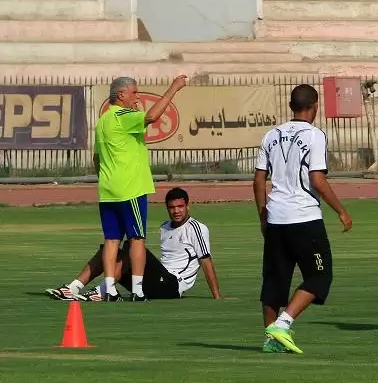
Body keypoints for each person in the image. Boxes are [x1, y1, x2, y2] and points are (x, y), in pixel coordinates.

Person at [253, 84, 352, 354]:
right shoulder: (314, 135)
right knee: (321, 276)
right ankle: (282, 324)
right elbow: (317, 180)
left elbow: (259, 179)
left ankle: (271, 342)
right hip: (304, 218)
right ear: (315, 106)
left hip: (275, 219)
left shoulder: (271, 135)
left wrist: (263, 213)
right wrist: (341, 210)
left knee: (274, 282)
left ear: (290, 106)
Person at [94, 75, 187, 302]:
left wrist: (108, 177)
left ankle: (110, 289)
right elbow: (153, 116)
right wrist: (173, 87)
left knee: (112, 240)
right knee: (137, 238)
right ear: (121, 95)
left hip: (108, 190)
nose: (137, 96)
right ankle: (137, 289)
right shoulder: (123, 116)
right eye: (134, 93)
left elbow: (97, 159)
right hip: (130, 189)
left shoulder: (103, 120)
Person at [45, 187, 222, 301]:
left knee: (132, 245)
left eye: (180, 206)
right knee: (108, 250)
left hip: (171, 286)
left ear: (187, 206)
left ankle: (103, 290)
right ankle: (74, 287)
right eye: (172, 207)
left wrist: (217, 297)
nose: (176, 211)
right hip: (152, 282)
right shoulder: (165, 227)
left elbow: (206, 262)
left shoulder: (197, 228)